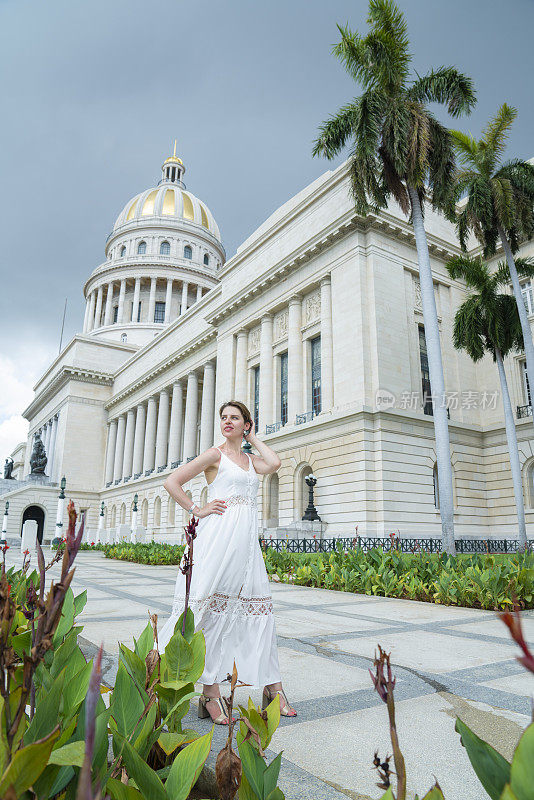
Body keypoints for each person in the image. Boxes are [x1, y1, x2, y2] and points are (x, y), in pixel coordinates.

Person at [159, 400, 296, 724]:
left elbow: (274, 463)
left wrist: (254, 437)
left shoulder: (250, 459)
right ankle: (209, 693)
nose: (227, 422)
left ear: (245, 424)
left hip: (247, 547)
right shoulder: (214, 455)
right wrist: (197, 508)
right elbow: (172, 482)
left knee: (259, 612)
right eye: (224, 417)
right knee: (208, 613)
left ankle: (272, 688)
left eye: (235, 418)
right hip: (218, 540)